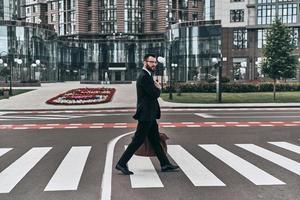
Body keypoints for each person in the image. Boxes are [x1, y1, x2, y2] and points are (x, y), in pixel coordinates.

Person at [115, 53, 179, 175]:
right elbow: (154, 94)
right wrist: (159, 87)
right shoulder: (144, 76)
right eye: (151, 62)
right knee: (138, 140)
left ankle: (165, 164)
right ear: (145, 62)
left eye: (155, 62)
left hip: (150, 114)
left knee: (155, 140)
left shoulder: (148, 75)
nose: (154, 64)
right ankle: (121, 163)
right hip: (146, 114)